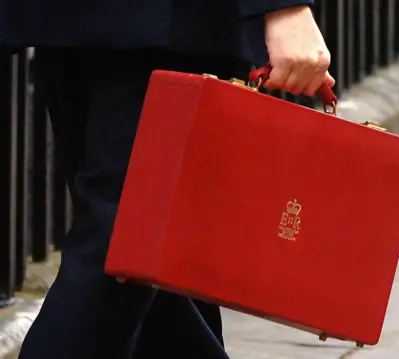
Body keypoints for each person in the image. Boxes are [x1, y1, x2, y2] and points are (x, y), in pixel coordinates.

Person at [0, 1, 335, 358]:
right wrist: (285, 7)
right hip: (168, 26)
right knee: (125, 255)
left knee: (152, 264)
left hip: (77, 22)